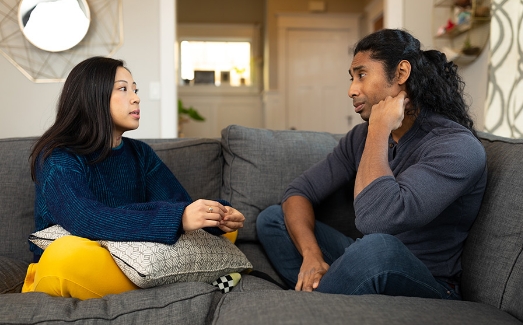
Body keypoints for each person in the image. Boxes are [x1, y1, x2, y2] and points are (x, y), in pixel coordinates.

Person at [256, 29, 487, 300]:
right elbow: (298, 192)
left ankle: (309, 306)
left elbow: (377, 221)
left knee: (377, 248)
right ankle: (322, 290)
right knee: (272, 218)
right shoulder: (359, 137)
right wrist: (312, 257)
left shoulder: (457, 147)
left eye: (361, 74)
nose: (351, 90)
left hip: (427, 281)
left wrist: (379, 128)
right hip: (367, 258)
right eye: (352, 78)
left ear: (401, 73)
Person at [22, 56, 245, 300]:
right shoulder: (58, 156)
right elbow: (84, 218)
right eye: (123, 89)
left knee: (221, 231)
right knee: (66, 254)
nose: (136, 97)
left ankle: (170, 286)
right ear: (92, 96)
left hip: (134, 255)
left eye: (135, 89)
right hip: (84, 258)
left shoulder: (140, 154)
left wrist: (216, 215)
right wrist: (177, 218)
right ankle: (194, 284)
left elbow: (179, 204)